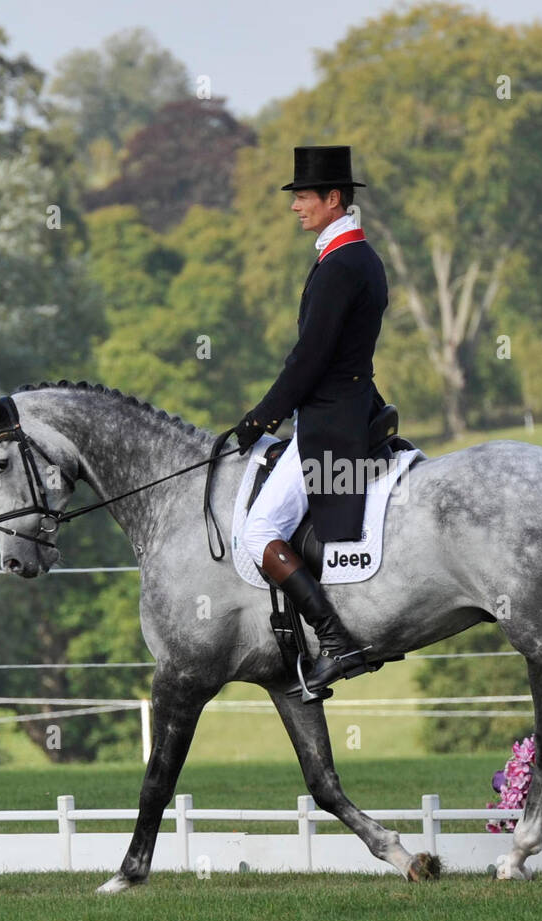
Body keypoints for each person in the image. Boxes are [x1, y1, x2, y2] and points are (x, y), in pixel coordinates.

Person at [235, 145, 390, 698]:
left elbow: (309, 358)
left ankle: (334, 640)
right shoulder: (356, 256)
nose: (296, 206)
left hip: (329, 426)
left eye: (303, 196)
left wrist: (260, 418)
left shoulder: (342, 264)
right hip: (350, 407)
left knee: (257, 530)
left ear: (332, 198)